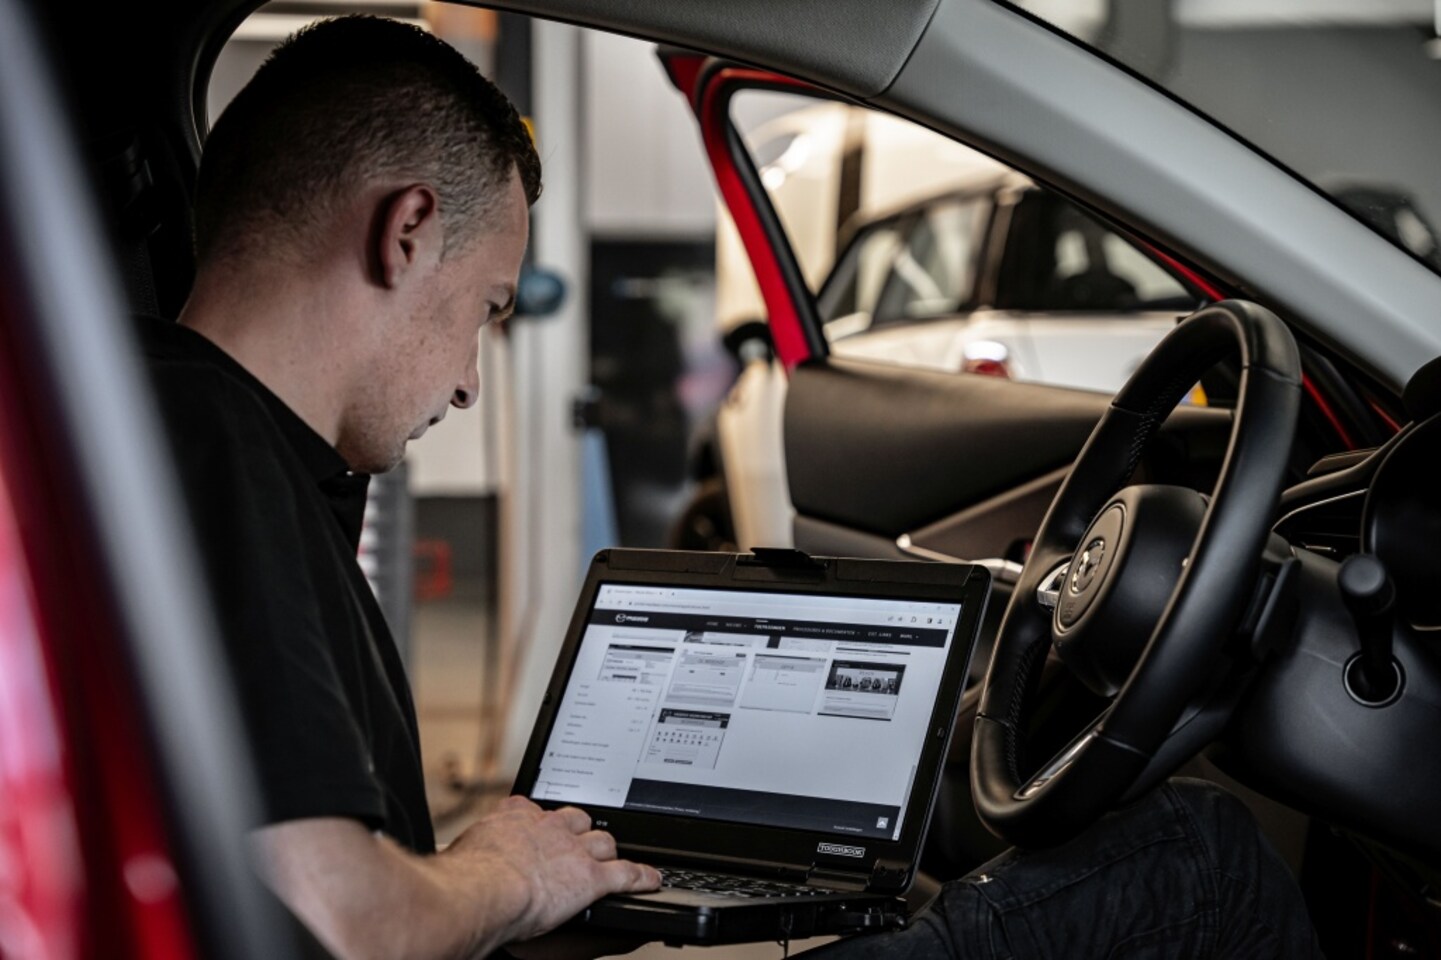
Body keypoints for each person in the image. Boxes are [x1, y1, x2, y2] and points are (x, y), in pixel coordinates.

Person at [146, 13, 1322, 960]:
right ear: (406, 233)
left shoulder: (195, 441)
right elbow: (333, 921)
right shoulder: (210, 447)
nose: (466, 381)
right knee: (1197, 860)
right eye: (489, 309)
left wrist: (526, 886)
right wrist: (502, 875)